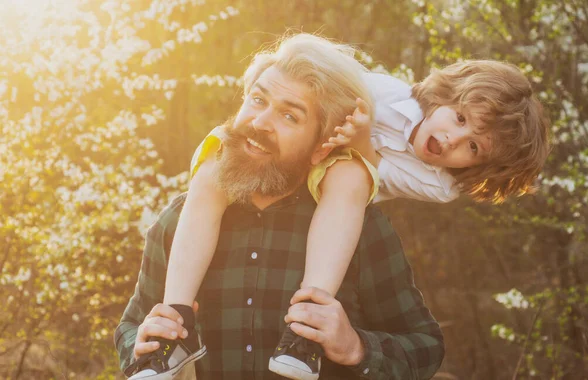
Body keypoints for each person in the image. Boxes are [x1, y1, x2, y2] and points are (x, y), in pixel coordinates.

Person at [135, 33, 550, 380]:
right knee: (211, 172)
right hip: (324, 139)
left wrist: (354, 347)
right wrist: (140, 344)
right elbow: (317, 82)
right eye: (459, 119)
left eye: (473, 147)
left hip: (340, 175)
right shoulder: (181, 217)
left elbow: (424, 347)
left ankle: (306, 328)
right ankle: (176, 333)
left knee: (351, 178)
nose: (452, 139)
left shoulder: (385, 217)